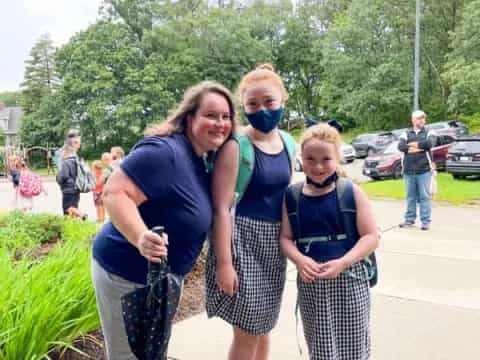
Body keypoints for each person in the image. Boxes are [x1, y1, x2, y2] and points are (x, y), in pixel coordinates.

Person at [91, 81, 236, 360]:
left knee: (152, 353)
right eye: (211, 115)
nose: (220, 123)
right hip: (127, 273)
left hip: (162, 279)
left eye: (226, 117)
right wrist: (140, 236)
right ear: (190, 117)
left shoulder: (199, 158)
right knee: (129, 356)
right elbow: (115, 192)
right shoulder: (165, 153)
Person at [206, 64, 295, 360]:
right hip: (242, 242)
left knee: (264, 324)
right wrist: (224, 264)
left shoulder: (288, 143)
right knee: (247, 329)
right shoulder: (237, 146)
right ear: (243, 107)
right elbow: (221, 208)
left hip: (274, 247)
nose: (262, 110)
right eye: (252, 104)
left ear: (282, 99)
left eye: (269, 102)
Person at [280, 123, 378, 360]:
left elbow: (371, 236)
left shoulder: (350, 192)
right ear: (301, 159)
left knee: (354, 347)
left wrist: (343, 263)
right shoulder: (292, 196)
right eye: (310, 159)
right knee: (321, 349)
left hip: (350, 282)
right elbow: (285, 238)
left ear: (337, 158)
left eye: (326, 158)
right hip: (312, 285)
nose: (318, 166)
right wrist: (300, 260)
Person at [398, 110, 435, 230]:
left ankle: (425, 222)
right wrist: (420, 147)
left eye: (423, 118)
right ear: (413, 120)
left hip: (424, 170)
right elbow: (401, 146)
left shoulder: (430, 131)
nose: (422, 120)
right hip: (408, 171)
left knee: (425, 196)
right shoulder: (405, 133)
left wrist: (413, 145)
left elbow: (429, 144)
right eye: (419, 118)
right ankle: (409, 220)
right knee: (410, 197)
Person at [56, 147, 85, 219]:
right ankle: (73, 225)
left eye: (61, 153)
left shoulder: (66, 162)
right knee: (73, 207)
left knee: (67, 209)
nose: (60, 155)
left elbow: (63, 176)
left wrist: (58, 179)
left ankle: (82, 215)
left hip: (68, 189)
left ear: (65, 152)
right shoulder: (76, 161)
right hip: (77, 187)